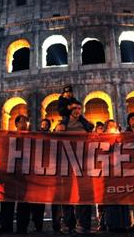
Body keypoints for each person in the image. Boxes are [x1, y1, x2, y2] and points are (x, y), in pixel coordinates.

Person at [58, 100, 94, 234]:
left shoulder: (86, 124)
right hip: (66, 161)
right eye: (74, 108)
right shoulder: (63, 124)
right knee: (66, 193)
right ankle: (68, 224)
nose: (77, 110)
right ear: (70, 110)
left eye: (79, 108)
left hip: (84, 162)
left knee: (84, 192)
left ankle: (84, 224)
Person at [102, 120, 131, 232]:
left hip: (120, 169)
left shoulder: (120, 136)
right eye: (110, 125)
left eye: (113, 125)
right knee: (111, 198)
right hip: (108, 170)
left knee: (122, 196)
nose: (112, 127)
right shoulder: (102, 137)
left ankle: (123, 223)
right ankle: (112, 223)